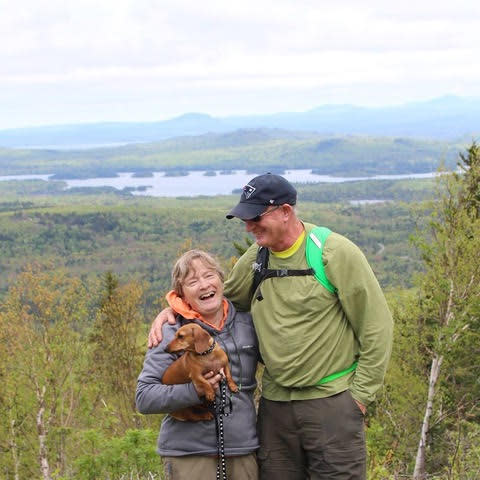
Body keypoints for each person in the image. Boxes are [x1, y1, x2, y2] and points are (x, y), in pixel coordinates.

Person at [148, 173, 394, 480]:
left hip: (333, 401)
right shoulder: (257, 258)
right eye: (245, 220)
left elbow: (376, 325)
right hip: (276, 408)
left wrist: (359, 397)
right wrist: (172, 311)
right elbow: (220, 302)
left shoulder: (332, 252)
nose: (248, 227)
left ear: (286, 212)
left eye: (256, 218)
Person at [136, 249, 259, 480]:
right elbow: (145, 398)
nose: (204, 285)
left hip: (243, 450)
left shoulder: (248, 322)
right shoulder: (171, 332)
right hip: (189, 454)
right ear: (181, 294)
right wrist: (195, 390)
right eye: (192, 281)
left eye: (210, 275)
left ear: (222, 281)